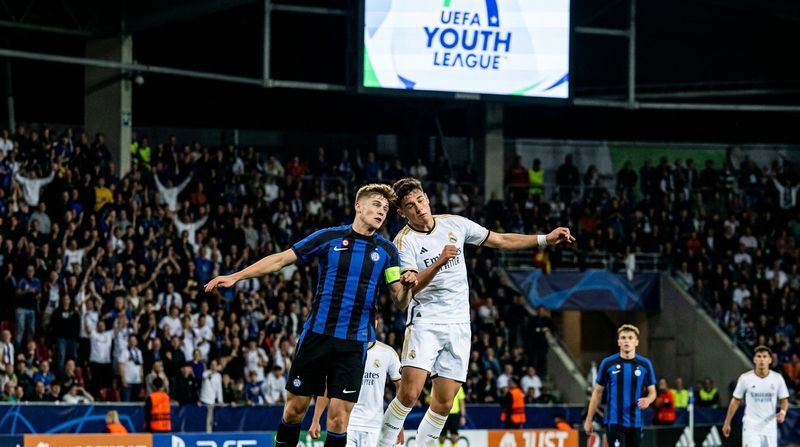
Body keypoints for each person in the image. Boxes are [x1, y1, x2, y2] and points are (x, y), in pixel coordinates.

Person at [205, 184, 416, 447]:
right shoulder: (329, 237)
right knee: (294, 410)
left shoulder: (388, 251)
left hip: (353, 343)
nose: (381, 211)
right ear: (358, 207)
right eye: (375, 204)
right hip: (317, 336)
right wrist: (236, 276)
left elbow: (399, 301)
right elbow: (280, 260)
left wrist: (408, 287)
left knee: (339, 420)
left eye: (385, 208)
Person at [378, 177, 573, 447]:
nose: (419, 208)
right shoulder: (403, 243)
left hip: (459, 324)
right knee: (410, 394)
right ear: (401, 213)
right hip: (426, 322)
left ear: (427, 197)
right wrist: (438, 263)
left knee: (444, 403)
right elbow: (408, 291)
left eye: (420, 200)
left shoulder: (455, 224)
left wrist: (544, 239)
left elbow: (500, 240)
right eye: (410, 206)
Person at [309, 338, 402, 447]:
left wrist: (397, 423)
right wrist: (316, 419)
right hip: (346, 425)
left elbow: (401, 387)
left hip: (374, 428)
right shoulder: (342, 349)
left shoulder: (387, 352)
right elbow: (328, 387)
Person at [583, 324, 656, 447]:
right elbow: (597, 392)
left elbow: (652, 392)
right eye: (623, 338)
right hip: (614, 421)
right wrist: (589, 420)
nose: (626, 341)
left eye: (630, 338)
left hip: (636, 422)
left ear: (636, 342)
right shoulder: (608, 363)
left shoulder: (645, 364)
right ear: (618, 342)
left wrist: (648, 400)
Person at [722, 345, 789, 446]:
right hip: (751, 427)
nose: (761, 359)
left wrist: (783, 412)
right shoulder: (745, 378)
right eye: (759, 356)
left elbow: (784, 400)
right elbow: (735, 401)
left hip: (770, 428)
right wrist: (727, 422)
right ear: (754, 360)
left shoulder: (777, 378)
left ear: (770, 360)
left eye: (764, 356)